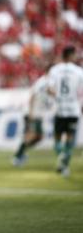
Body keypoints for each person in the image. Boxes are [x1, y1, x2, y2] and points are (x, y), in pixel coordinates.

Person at [47, 45, 83, 177]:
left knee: (57, 139)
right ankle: (65, 166)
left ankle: (61, 159)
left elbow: (50, 89)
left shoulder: (55, 70)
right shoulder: (79, 71)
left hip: (59, 108)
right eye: (75, 54)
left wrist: (58, 97)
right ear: (70, 55)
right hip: (73, 109)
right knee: (69, 138)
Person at [12, 64, 55, 166]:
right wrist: (31, 112)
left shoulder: (47, 82)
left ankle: (21, 153)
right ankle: (17, 157)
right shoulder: (43, 81)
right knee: (32, 135)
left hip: (38, 113)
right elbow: (33, 96)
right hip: (32, 112)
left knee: (39, 137)